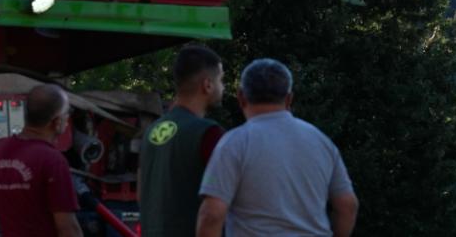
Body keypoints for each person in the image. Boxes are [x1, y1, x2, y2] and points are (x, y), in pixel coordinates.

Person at [195, 58, 359, 237]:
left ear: (241, 97)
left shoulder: (233, 143)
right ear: (289, 99)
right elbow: (347, 206)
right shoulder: (321, 142)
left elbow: (211, 215)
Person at [0, 83, 83, 237]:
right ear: (57, 122)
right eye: (67, 113)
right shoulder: (53, 161)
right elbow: (68, 227)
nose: (68, 118)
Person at [140, 44, 228, 237]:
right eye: (221, 80)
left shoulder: (151, 132)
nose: (223, 87)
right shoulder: (208, 133)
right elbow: (214, 210)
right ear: (207, 84)